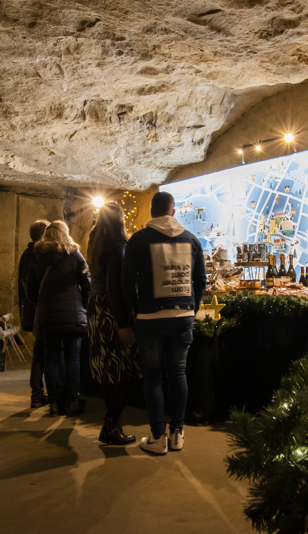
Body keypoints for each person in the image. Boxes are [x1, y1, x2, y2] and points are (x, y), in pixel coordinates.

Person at [121, 191, 206, 455]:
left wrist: (133, 312)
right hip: (182, 317)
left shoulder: (138, 240)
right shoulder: (191, 239)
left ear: (151, 212)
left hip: (149, 318)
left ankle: (158, 438)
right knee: (178, 373)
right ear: (173, 211)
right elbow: (201, 280)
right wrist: (192, 307)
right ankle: (177, 434)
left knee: (153, 376)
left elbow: (126, 283)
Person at [86, 203, 138, 446]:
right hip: (111, 312)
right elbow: (115, 289)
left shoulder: (95, 241)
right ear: (120, 220)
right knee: (125, 372)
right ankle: (110, 424)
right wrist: (124, 324)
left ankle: (113, 426)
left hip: (96, 308)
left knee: (108, 371)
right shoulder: (117, 247)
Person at [27, 220, 91, 418]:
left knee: (51, 359)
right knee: (73, 359)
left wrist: (43, 303)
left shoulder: (37, 257)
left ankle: (53, 404)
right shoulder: (75, 255)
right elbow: (87, 286)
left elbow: (30, 290)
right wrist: (84, 306)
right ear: (65, 234)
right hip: (73, 316)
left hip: (48, 317)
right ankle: (72, 402)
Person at [18, 219, 50, 408]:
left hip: (34, 309)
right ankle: (42, 394)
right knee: (45, 353)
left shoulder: (25, 254)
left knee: (40, 352)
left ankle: (37, 394)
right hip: (41, 309)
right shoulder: (39, 255)